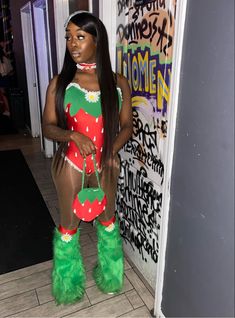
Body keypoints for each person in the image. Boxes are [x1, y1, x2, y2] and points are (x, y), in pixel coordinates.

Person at [42, 11, 133, 305]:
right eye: (68, 36)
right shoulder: (60, 83)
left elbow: (128, 126)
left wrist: (111, 151)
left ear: (97, 40)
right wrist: (72, 136)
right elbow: (47, 127)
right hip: (69, 165)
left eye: (80, 36)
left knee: (108, 220)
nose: (72, 43)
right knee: (69, 226)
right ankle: (67, 287)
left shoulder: (118, 83)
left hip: (105, 165)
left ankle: (110, 275)